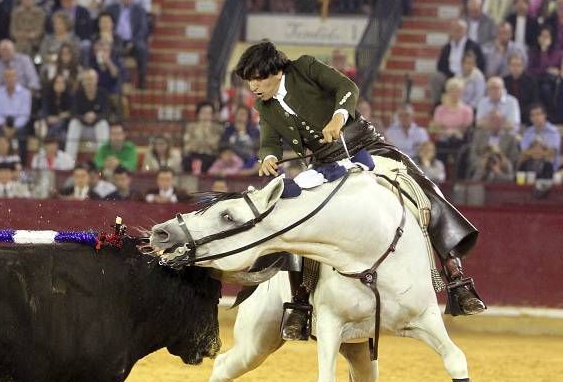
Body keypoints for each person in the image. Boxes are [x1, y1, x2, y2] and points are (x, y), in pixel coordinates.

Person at [233, 41, 486, 341]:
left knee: (422, 187)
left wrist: (338, 117)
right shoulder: (265, 106)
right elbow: (269, 140)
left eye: (257, 78)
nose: (253, 86)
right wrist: (269, 157)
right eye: (248, 80)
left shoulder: (305, 67)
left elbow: (348, 88)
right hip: (325, 161)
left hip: (365, 144)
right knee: (298, 222)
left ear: (275, 71)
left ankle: (457, 278)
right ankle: (300, 303)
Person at [521, 103, 561, 169]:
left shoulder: (553, 131)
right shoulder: (528, 132)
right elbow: (524, 152)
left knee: (548, 158)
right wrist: (540, 152)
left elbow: (551, 152)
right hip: (530, 165)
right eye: (532, 115)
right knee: (522, 158)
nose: (535, 118)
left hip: (549, 167)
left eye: (538, 114)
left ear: (544, 115)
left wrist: (533, 152)